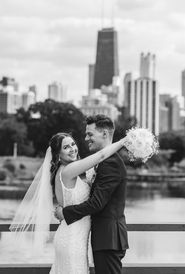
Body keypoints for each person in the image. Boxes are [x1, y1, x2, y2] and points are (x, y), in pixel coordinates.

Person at [10, 116, 127, 274]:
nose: (73, 148)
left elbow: (95, 196)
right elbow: (99, 157)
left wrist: (65, 212)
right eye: (66, 147)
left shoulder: (75, 170)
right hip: (72, 239)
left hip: (81, 237)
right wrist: (123, 141)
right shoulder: (69, 171)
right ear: (57, 154)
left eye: (73, 144)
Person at [55, 115, 129, 274]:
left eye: (90, 134)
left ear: (104, 134)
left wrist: (65, 212)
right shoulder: (99, 162)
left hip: (108, 238)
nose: (86, 138)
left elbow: (96, 203)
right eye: (66, 147)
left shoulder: (110, 162)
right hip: (96, 238)